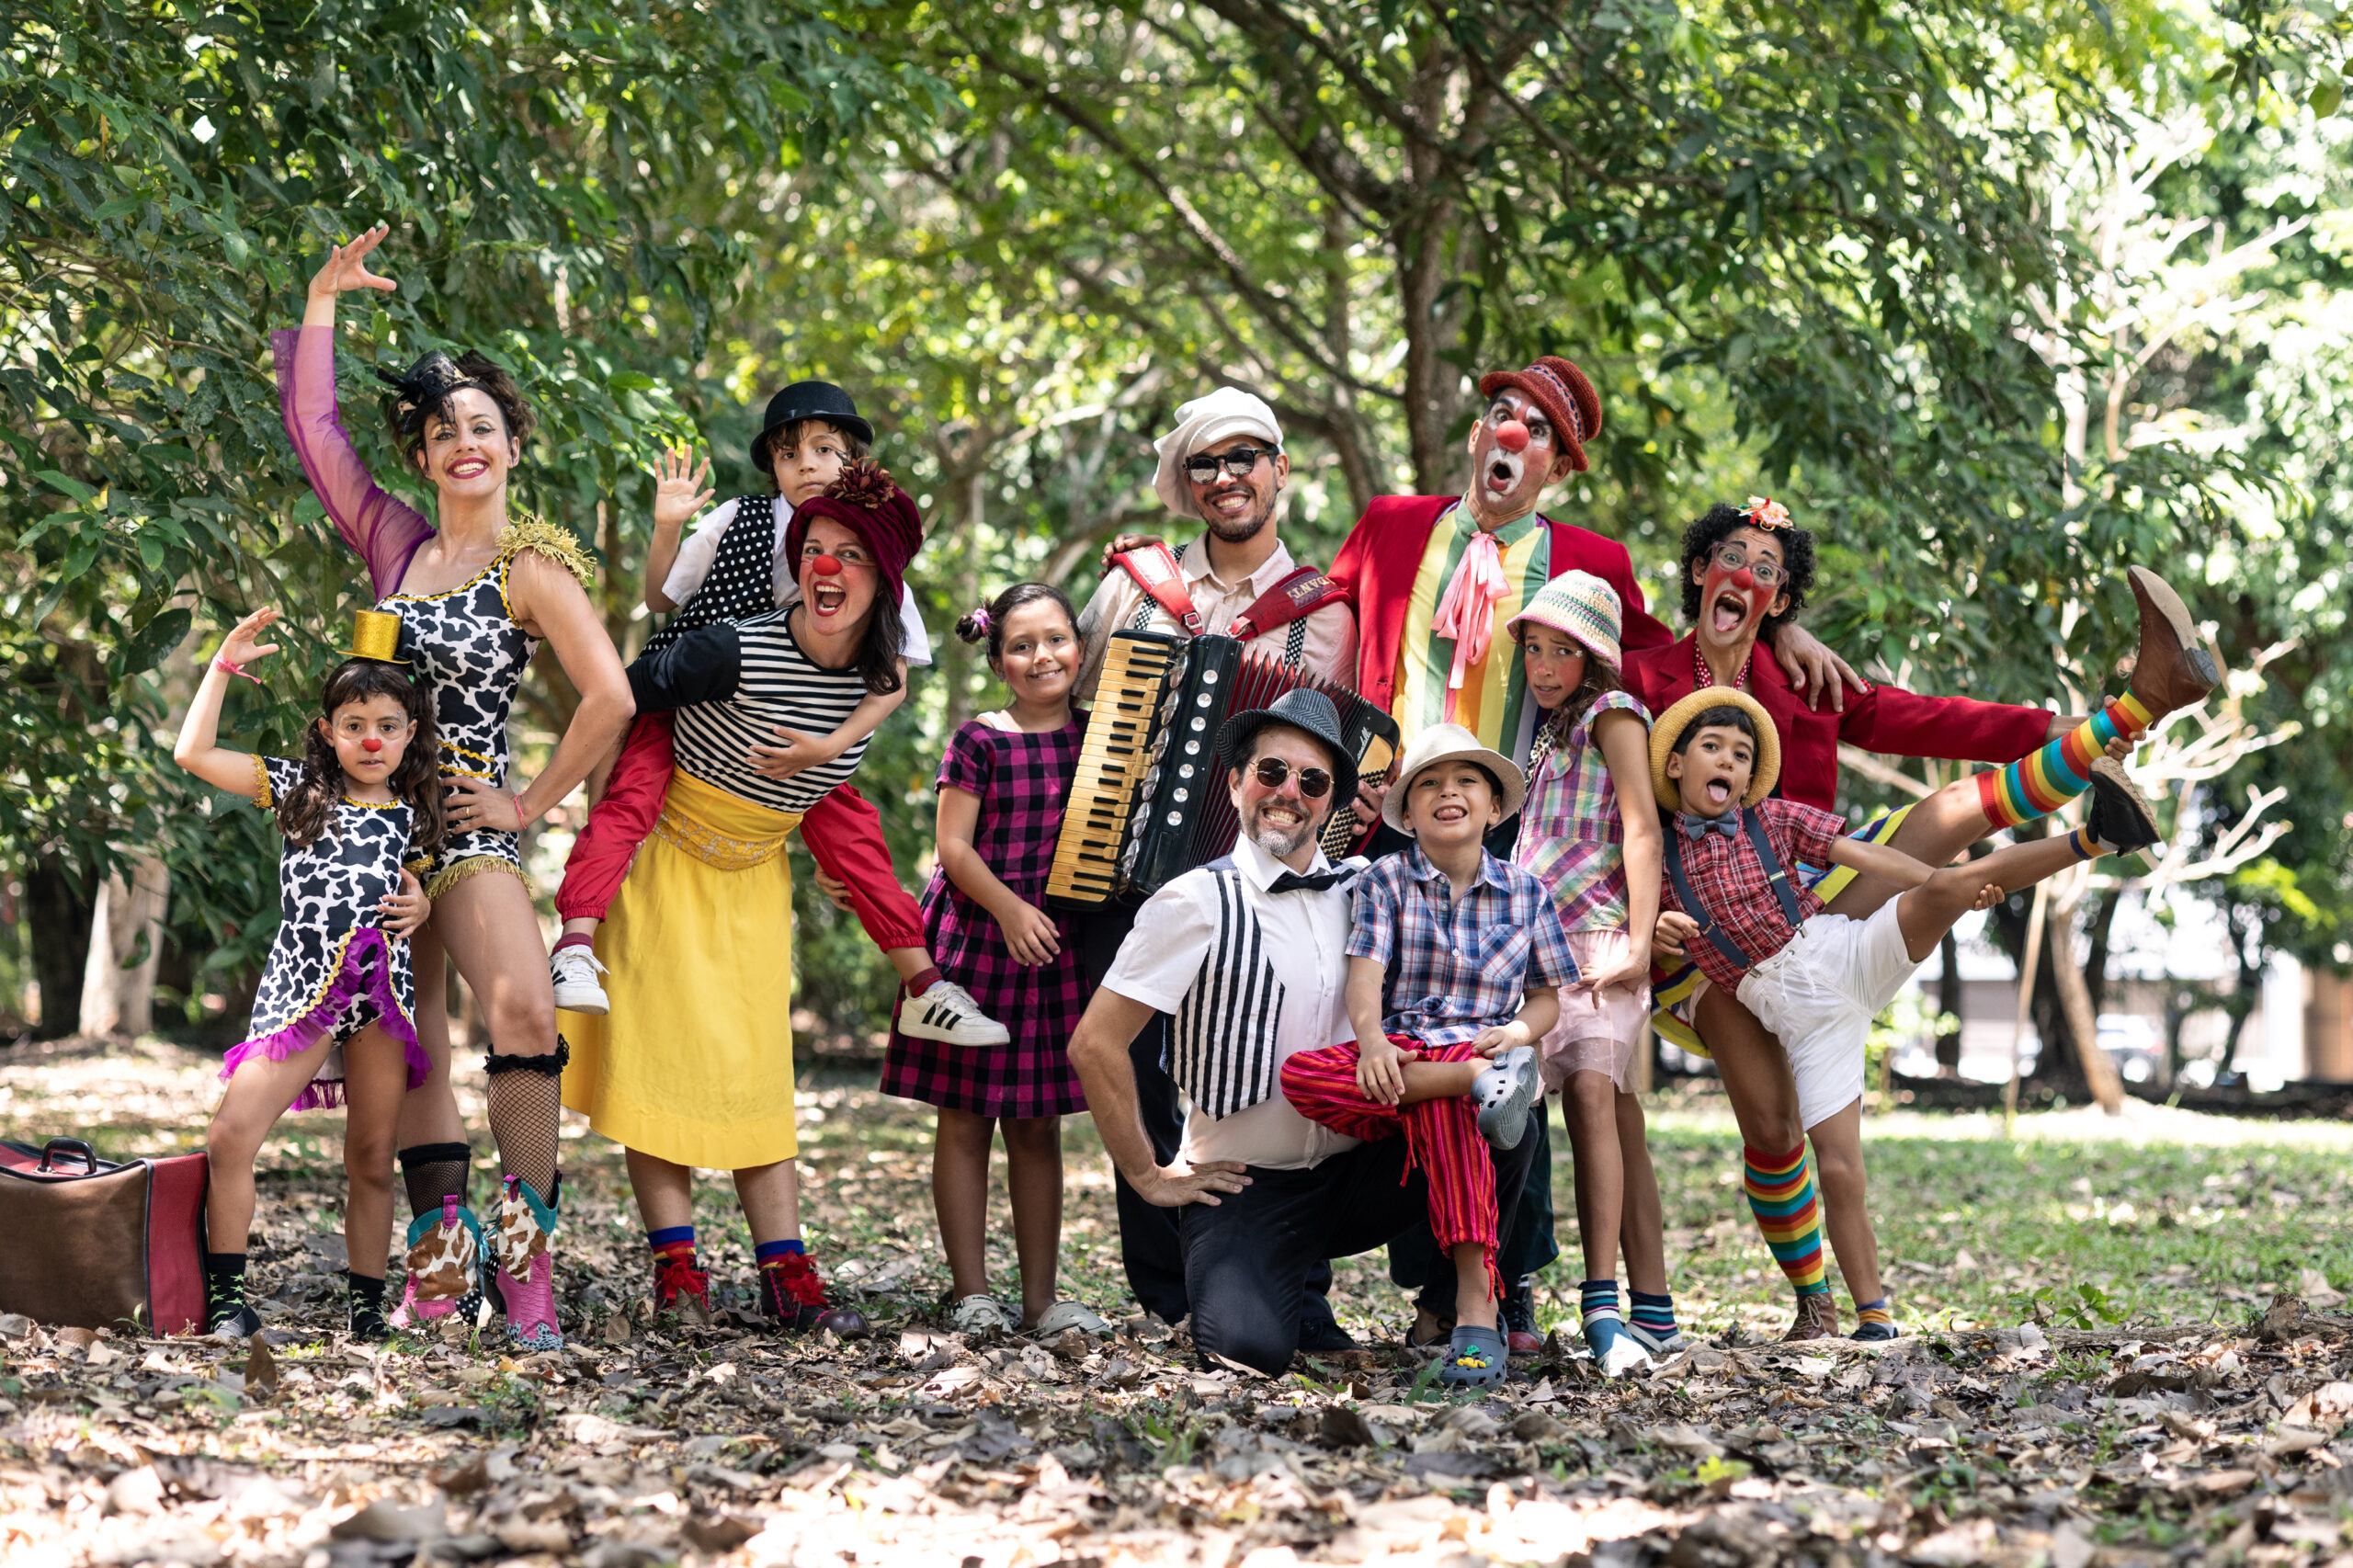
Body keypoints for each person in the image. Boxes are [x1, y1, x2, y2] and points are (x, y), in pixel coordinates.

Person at [1324, 356, 1855, 1351]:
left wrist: (1779, 633)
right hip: (1393, 822)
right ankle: (1398, 1275)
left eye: (1537, 428)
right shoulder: (1392, 523)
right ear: (1475, 434)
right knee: (1393, 1048)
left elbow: (1657, 649)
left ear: (1558, 467)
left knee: (1505, 1070)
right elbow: (1321, 616)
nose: (1510, 432)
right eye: (1499, 412)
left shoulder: (1591, 561)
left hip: (1515, 841)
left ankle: (1506, 1284)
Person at [1624, 498, 2221, 1337]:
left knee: (1947, 814)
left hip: (1808, 895)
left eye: (1767, 572)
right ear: (1699, 569)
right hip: (1700, 941)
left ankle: (2135, 710)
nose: (1746, 577)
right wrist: (1633, 920)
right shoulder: (1636, 674)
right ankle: (1814, 1305)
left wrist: (2060, 732)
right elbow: (1600, 806)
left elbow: (1921, 718)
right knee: (1772, 1128)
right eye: (1732, 558)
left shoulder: (1798, 677)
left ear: (1781, 600)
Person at [278, 224, 636, 1349]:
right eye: (444, 433)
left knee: (523, 1011)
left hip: (471, 824)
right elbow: (316, 431)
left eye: (482, 425)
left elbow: (610, 696)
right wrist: (323, 299)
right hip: (372, 831)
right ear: (425, 461)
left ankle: (526, 1266)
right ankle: (441, 1266)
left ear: (512, 445)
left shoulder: (532, 566)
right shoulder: (393, 544)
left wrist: (527, 803)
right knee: (414, 1043)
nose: (464, 442)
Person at [1649, 688, 2161, 1338]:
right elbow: (1638, 936)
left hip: (1845, 953)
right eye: (1712, 747)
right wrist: (1657, 932)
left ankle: (2100, 836)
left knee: (1947, 883)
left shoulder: (1771, 819)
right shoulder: (1656, 862)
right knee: (1839, 1169)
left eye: (1741, 754)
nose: (1727, 760)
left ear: (1750, 779)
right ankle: (1873, 1318)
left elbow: (1865, 857)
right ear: (1675, 765)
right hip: (1809, 1027)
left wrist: (1939, 888)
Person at [1067, 690, 1544, 1378]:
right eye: (1271, 772)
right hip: (1247, 1183)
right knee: (1244, 1351)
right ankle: (1286, 1290)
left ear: (1329, 805)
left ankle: (1452, 1310)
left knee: (1504, 1115)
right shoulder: (1194, 900)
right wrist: (1149, 1173)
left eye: (1312, 782)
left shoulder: (1371, 889)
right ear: (1236, 783)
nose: (1289, 792)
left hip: (1365, 1171)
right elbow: (1095, 1043)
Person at [558, 462, 918, 1335]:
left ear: (883, 578)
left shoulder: (875, 670)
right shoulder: (731, 644)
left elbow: (876, 715)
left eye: (850, 554)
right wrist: (554, 803)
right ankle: (677, 1270)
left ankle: (786, 1275)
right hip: (661, 860)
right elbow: (619, 697)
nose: (826, 566)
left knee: (756, 1076)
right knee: (656, 1068)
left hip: (753, 876)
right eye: (815, 549)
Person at [547, 388, 1005, 1048]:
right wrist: (668, 525)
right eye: (789, 454)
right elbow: (661, 598)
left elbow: (894, 679)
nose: (807, 464)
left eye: (824, 450)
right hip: (691, 696)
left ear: (854, 462)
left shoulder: (874, 547)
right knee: (628, 805)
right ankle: (575, 944)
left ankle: (924, 986)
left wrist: (829, 747)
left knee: (857, 840)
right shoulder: (740, 518)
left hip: (796, 728)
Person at [1073, 388, 1358, 1348]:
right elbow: (1077, 701)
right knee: (1137, 1071)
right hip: (1131, 862)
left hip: (1268, 879)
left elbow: (1337, 755)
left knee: (1290, 1060)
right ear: (1185, 481)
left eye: (1245, 458)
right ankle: (1170, 1285)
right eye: (1206, 462)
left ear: (1279, 470)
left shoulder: (1327, 614)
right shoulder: (1136, 585)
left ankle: (1291, 1283)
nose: (1227, 477)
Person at [1276, 722, 1572, 1387]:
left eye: (1466, 781)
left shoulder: (1527, 892)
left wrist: (1516, 1036)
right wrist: (1372, 1042)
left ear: (1494, 808)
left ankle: (1474, 1304)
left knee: (1453, 1114)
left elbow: (1546, 1001)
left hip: (1485, 1043)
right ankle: (1472, 1083)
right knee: (1302, 1076)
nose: (1448, 792)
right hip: (1405, 1054)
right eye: (1429, 783)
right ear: (1407, 815)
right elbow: (1365, 977)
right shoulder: (1385, 880)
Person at [172, 608, 439, 1341]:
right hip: (302, 991)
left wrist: (422, 901)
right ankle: (227, 1302)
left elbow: (421, 888)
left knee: (372, 1158)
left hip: (381, 999)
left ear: (410, 732)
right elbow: (193, 753)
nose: (371, 740)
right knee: (230, 1136)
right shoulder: (297, 789)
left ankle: (367, 1312)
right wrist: (222, 665)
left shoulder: (417, 815)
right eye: (354, 725)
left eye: (387, 725)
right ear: (328, 731)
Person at [880, 584, 1104, 1336]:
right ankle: (971, 1293)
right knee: (967, 1117)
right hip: (976, 942)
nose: (1042, 657)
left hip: (1055, 951)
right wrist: (1009, 909)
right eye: (1021, 645)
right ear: (998, 660)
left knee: (1037, 1126)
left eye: (1056, 640)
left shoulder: (1100, 738)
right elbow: (952, 847)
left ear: (1080, 647)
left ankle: (1041, 1301)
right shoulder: (981, 738)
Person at [1502, 574, 1674, 1375]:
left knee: (1595, 1102)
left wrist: (1638, 940)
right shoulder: (1548, 733)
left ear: (1595, 657)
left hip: (1598, 938)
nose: (1542, 666)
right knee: (1514, 1111)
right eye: (1534, 650)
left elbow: (1641, 827)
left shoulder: (1614, 712)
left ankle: (1602, 1302)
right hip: (1535, 949)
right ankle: (1499, 1289)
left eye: (1560, 652)